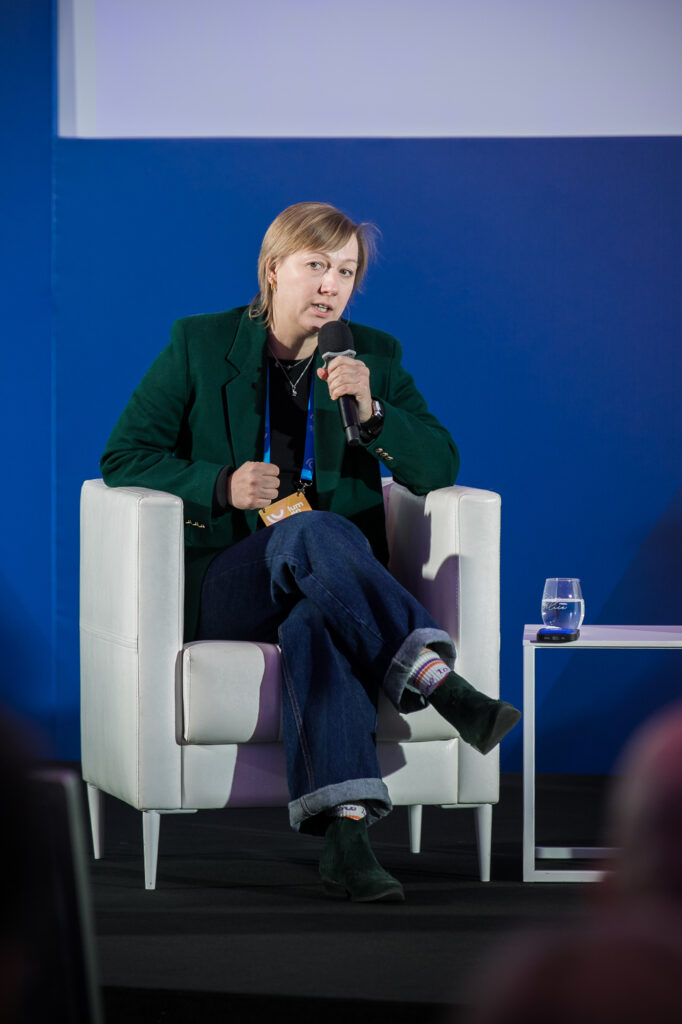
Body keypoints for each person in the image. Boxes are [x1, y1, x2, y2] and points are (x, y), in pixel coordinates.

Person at [101, 201, 521, 903]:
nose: (331, 285)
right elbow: (123, 456)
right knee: (309, 530)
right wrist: (220, 483)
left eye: (346, 272)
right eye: (316, 265)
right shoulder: (200, 344)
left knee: (316, 622)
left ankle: (348, 841)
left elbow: (438, 467)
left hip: (333, 588)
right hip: (234, 581)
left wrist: (374, 414)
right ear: (273, 270)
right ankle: (437, 680)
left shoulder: (371, 355)